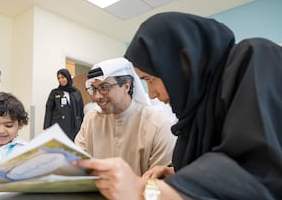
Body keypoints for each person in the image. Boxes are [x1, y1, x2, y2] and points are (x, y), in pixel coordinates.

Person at [73, 12, 282, 200]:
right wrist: (175, 174)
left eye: (151, 80)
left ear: (180, 64)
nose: (152, 94)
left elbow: (257, 168)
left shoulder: (254, 58)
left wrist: (145, 191)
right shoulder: (195, 114)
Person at [74, 57, 176, 176]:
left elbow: (159, 184)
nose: (97, 97)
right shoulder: (90, 120)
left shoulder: (158, 126)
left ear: (126, 87)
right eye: (94, 89)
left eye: (104, 88)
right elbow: (77, 163)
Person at [43, 68, 84, 141]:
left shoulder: (76, 92)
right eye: (58, 78)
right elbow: (49, 109)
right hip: (59, 125)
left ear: (67, 77)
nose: (60, 80)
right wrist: (47, 127)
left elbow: (81, 110)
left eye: (63, 77)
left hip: (74, 125)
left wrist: (83, 125)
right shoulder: (55, 92)